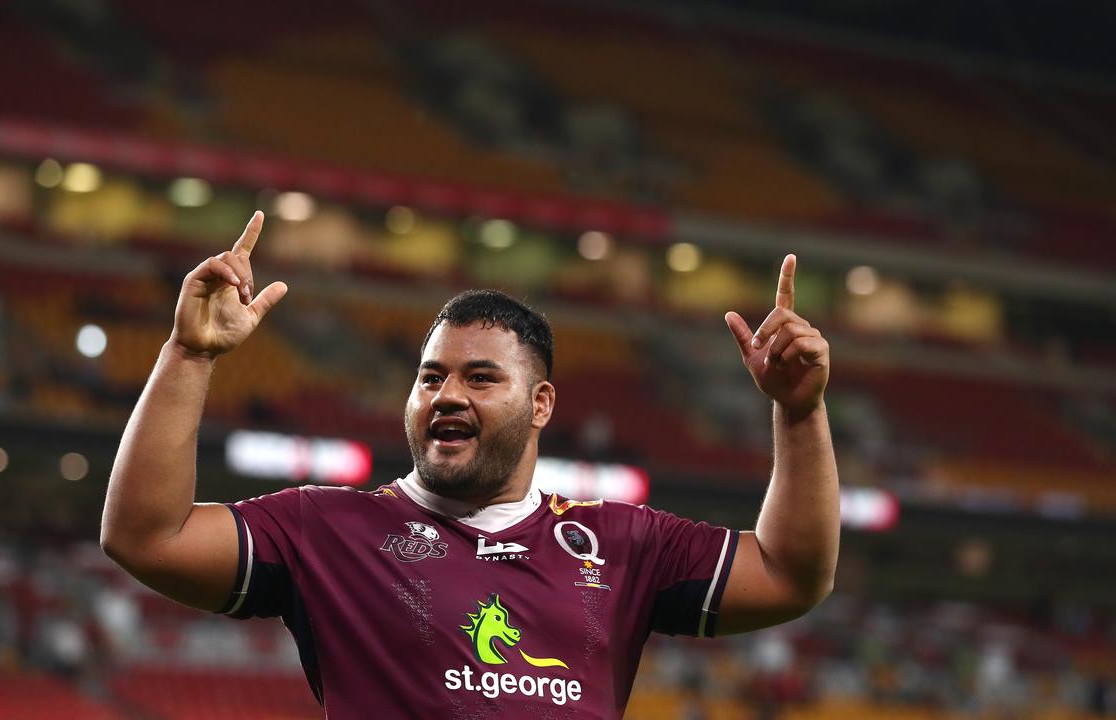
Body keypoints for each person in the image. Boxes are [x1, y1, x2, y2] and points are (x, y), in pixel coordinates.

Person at [101, 212, 839, 718]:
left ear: (541, 403)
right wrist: (189, 354)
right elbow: (146, 537)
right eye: (430, 377)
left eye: (481, 378)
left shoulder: (624, 545)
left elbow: (790, 573)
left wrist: (799, 414)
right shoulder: (329, 529)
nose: (446, 396)